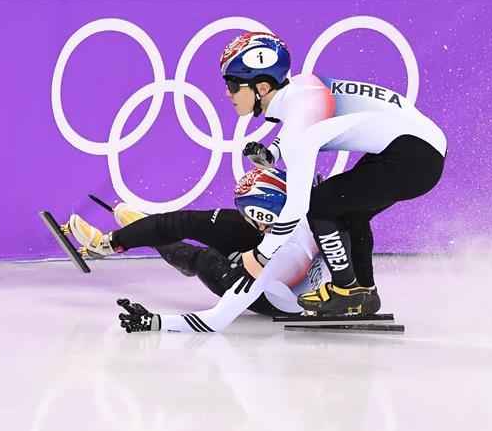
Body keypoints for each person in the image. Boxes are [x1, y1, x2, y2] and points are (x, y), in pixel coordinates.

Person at [220, 31, 447, 317]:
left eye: (232, 84)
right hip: (418, 148)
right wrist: (273, 155)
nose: (228, 93)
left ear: (262, 88)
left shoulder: (297, 129)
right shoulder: (303, 85)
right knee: (349, 211)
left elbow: (297, 207)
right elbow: (305, 124)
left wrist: (260, 256)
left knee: (319, 205)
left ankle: (347, 291)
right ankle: (362, 292)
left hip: (412, 156)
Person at [65, 168, 326, 327]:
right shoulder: (319, 213)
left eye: (245, 212)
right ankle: (131, 233)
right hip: (305, 292)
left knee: (204, 259)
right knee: (192, 230)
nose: (242, 215)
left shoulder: (255, 249)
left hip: (271, 299)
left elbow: (215, 321)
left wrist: (156, 323)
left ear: (262, 217)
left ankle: (132, 238)